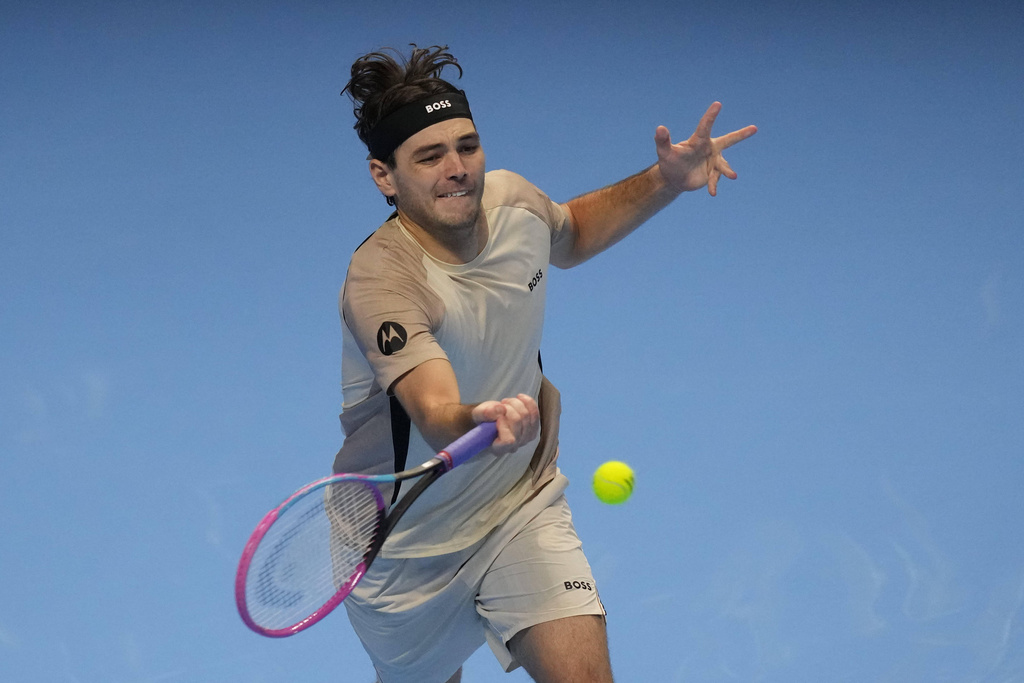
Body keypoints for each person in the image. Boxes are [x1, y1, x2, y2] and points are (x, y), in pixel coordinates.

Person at [334, 44, 756, 683]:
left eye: (468, 147)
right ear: (383, 176)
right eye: (429, 156)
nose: (458, 169)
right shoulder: (383, 282)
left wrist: (664, 180)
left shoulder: (513, 203)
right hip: (403, 552)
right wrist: (480, 415)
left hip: (517, 502)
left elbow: (572, 232)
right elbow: (434, 409)